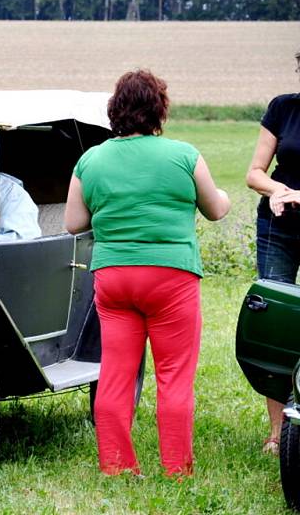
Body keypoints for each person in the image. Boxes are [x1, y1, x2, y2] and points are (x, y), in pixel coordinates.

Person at [65, 70, 230, 477]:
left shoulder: (91, 159)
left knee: (117, 374)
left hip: (114, 277)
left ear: (115, 110)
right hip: (172, 277)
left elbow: (72, 222)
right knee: (173, 376)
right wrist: (221, 194)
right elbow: (216, 209)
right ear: (160, 110)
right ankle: (176, 468)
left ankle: (118, 466)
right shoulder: (184, 155)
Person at [245, 48, 300, 456]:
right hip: (277, 227)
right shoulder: (283, 108)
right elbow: (254, 172)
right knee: (277, 322)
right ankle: (278, 432)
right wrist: (276, 190)